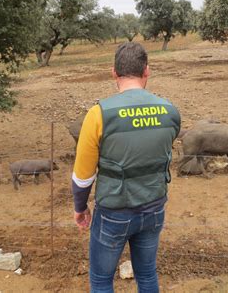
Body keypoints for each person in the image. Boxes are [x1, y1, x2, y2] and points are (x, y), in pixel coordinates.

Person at [71, 42, 181, 293]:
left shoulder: (99, 115)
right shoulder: (170, 112)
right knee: (147, 274)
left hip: (113, 213)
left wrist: (80, 208)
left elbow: (82, 177)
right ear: (147, 72)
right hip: (154, 210)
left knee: (101, 280)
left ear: (114, 73)